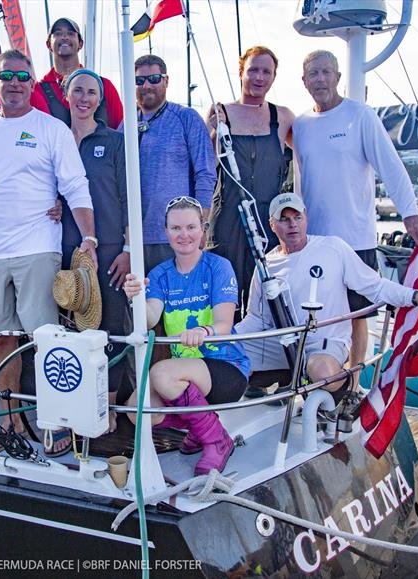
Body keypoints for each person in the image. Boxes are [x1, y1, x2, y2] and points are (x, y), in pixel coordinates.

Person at [0, 50, 96, 454]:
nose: (15, 83)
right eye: (7, 76)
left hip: (38, 247)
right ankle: (9, 424)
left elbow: (75, 184)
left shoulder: (51, 128)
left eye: (23, 76)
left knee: (46, 340)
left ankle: (55, 422)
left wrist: (89, 237)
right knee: (0, 341)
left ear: (33, 81)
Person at [292, 49, 418, 382]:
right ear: (304, 81)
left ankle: (352, 383)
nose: (321, 79)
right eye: (314, 73)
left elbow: (391, 167)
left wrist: (410, 213)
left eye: (327, 72)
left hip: (355, 236)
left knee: (358, 314)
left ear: (338, 77)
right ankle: (319, 378)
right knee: (316, 312)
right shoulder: (300, 124)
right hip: (315, 240)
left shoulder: (361, 115)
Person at [236, 193, 418, 399]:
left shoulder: (333, 248)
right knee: (225, 353)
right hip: (282, 342)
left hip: (325, 341)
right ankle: (283, 375)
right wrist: (223, 337)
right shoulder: (266, 265)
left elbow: (375, 286)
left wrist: (416, 296)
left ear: (306, 219)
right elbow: (257, 318)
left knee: (321, 371)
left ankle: (344, 393)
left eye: (297, 217)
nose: (293, 225)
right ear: (272, 225)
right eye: (284, 219)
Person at [122, 196, 250, 475]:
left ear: (203, 229)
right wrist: (136, 297)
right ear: (166, 231)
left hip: (225, 368)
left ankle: (217, 440)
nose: (184, 235)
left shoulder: (218, 266)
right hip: (185, 375)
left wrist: (202, 331)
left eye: (191, 227)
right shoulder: (159, 275)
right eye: (176, 228)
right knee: (135, 410)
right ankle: (200, 425)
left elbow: (224, 325)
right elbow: (151, 317)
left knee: (161, 373)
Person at [61, 69, 131, 434]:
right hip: (63, 252)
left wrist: (128, 249)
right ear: (66, 95)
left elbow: (130, 198)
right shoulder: (54, 137)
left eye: (91, 92)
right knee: (69, 329)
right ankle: (73, 401)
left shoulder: (116, 142)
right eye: (78, 91)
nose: (84, 98)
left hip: (108, 254)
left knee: (109, 330)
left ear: (100, 100)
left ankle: (109, 405)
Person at [205, 46, 295, 318]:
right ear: (241, 72)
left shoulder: (284, 117)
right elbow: (205, 167)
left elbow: (306, 161)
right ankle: (223, 355)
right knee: (225, 294)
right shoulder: (220, 112)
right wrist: (211, 131)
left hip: (268, 221)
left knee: (267, 296)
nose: (259, 77)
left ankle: (266, 357)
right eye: (253, 70)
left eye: (266, 71)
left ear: (274, 77)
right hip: (226, 218)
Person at [132, 55, 216, 271]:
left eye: (154, 78)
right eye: (140, 81)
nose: (147, 85)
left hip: (176, 237)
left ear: (166, 80)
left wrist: (202, 225)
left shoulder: (186, 118)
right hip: (133, 240)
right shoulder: (126, 123)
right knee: (139, 304)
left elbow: (205, 174)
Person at [39, 17, 124, 129]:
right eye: (58, 33)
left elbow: (123, 131)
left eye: (70, 33)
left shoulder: (104, 86)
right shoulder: (37, 90)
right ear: (48, 44)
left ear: (80, 44)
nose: (64, 37)